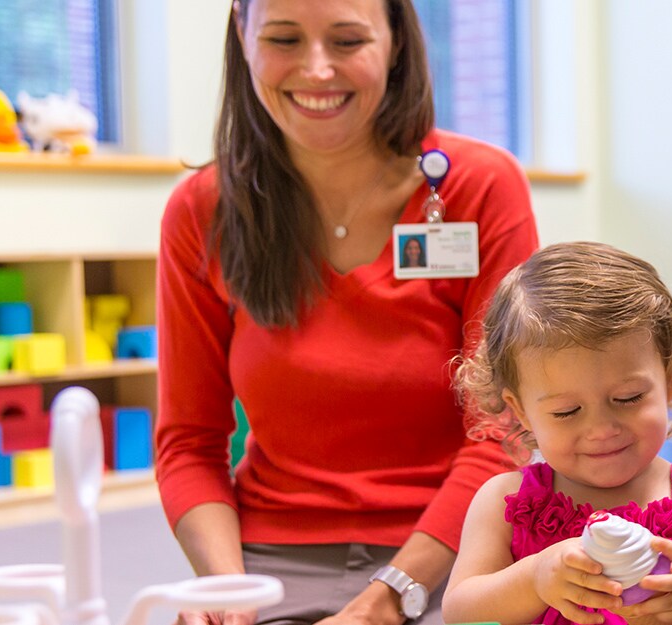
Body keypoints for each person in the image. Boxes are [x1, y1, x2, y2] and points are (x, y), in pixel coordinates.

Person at [155, 1, 539, 624]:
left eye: (347, 40)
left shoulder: (481, 187)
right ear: (242, 37)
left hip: (459, 551)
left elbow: (503, 427)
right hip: (270, 564)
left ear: (395, 44)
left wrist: (387, 600)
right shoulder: (202, 211)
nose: (316, 70)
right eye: (283, 37)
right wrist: (226, 593)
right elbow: (189, 443)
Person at [442, 242, 672, 625]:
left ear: (670, 380)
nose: (601, 429)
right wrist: (533, 578)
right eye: (567, 411)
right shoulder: (504, 505)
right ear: (521, 410)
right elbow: (460, 612)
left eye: (628, 398)